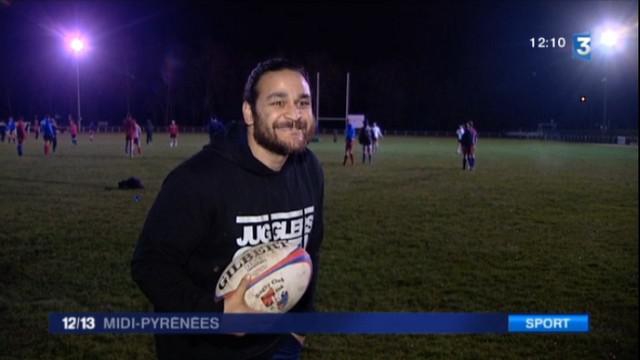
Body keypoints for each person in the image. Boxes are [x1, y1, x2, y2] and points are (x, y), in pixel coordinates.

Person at [131, 58, 324, 359]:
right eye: (278, 102)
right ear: (249, 112)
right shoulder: (197, 180)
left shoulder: (310, 169)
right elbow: (150, 264)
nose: (295, 115)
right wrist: (215, 315)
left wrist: (300, 326)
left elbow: (311, 248)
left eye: (303, 102)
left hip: (278, 347)